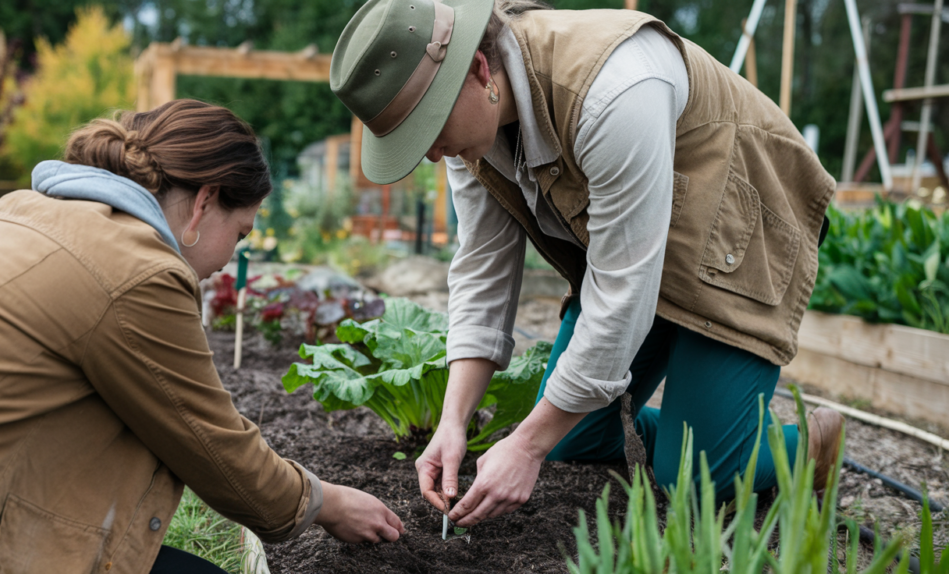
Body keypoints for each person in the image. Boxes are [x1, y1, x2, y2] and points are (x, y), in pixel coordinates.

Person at [329, 0, 846, 528]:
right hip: (639, 247)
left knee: (692, 478)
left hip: (739, 230)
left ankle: (803, 442)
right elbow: (483, 268)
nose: (432, 154)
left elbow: (622, 294)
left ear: (480, 70)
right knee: (571, 433)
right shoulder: (468, 133)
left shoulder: (612, 88)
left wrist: (525, 447)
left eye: (427, 129)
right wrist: (452, 421)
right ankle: (698, 427)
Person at [0, 99, 403, 574]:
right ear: (204, 201)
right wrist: (328, 503)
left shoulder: (21, 212)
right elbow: (214, 448)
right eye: (239, 235)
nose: (223, 266)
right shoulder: (137, 271)